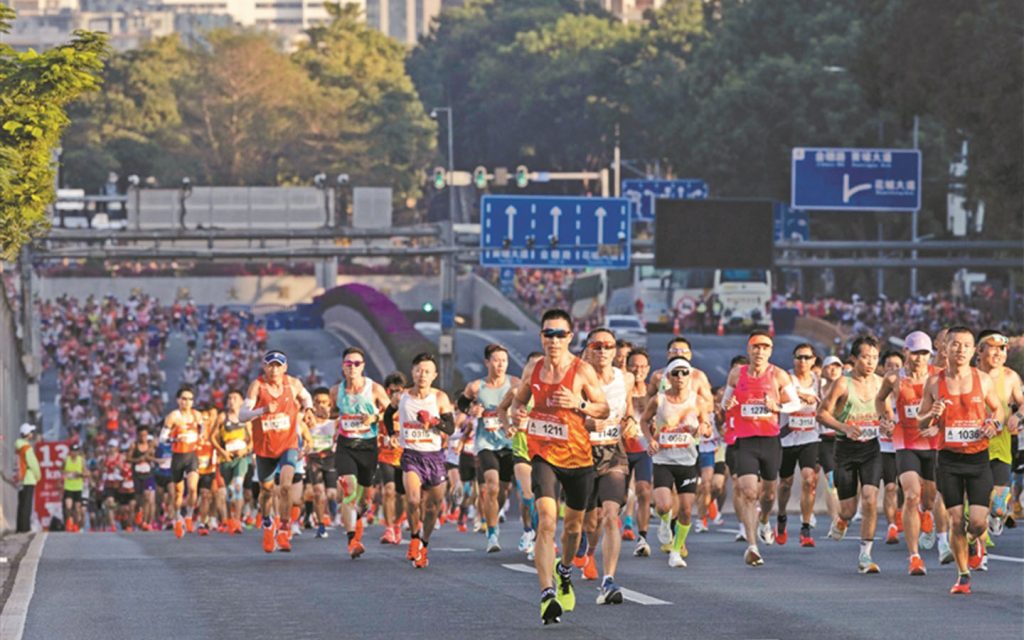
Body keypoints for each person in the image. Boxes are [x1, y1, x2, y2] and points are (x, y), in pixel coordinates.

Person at [509, 308, 609, 625]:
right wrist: (516, 415)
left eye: (560, 334)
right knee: (548, 522)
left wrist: (578, 404)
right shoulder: (534, 371)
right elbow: (516, 402)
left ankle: (564, 570)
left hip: (579, 458)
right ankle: (546, 594)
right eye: (548, 334)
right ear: (541, 336)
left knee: (574, 529)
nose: (553, 340)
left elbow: (603, 408)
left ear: (570, 337)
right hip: (543, 455)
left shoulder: (582, 371)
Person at [917, 326, 1003, 594]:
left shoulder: (983, 380)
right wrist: (931, 412)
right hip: (949, 460)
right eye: (955, 344)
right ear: (944, 348)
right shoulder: (934, 382)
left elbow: (998, 409)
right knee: (955, 520)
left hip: (978, 459)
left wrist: (994, 424)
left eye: (967, 345)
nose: (961, 350)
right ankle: (963, 575)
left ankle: (975, 540)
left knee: (977, 523)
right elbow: (920, 420)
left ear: (973, 350)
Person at [721, 331, 800, 566]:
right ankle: (752, 546)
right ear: (749, 350)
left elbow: (794, 404)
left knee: (768, 494)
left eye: (765, 347)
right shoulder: (737, 373)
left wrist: (777, 406)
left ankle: (765, 518)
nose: (760, 351)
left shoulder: (778, 375)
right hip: (745, 441)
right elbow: (726, 403)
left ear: (771, 351)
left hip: (769, 440)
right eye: (756, 347)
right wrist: (729, 403)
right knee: (748, 492)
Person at [818, 335, 885, 574]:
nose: (870, 362)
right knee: (847, 509)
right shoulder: (842, 384)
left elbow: (888, 413)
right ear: (854, 358)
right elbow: (822, 414)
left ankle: (865, 555)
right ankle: (842, 519)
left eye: (875, 357)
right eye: (865, 357)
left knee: (869, 498)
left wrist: (887, 423)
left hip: (871, 449)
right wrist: (844, 427)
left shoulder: (880, 383)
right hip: (845, 449)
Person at [579, 327, 636, 604]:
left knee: (611, 514)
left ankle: (608, 580)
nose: (603, 351)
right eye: (597, 346)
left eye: (608, 346)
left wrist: (631, 422)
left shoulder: (626, 378)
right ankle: (588, 550)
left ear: (615, 351)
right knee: (590, 521)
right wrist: (588, 422)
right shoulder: (577, 378)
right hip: (581, 453)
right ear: (589, 349)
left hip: (613, 451)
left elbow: (627, 409)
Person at [875, 331, 939, 576]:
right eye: (915, 353)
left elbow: (947, 407)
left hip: (932, 443)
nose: (919, 358)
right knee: (911, 495)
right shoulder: (894, 377)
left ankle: (929, 514)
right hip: (905, 442)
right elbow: (880, 400)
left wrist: (937, 425)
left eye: (924, 353)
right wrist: (886, 418)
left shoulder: (937, 376)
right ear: (906, 352)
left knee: (930, 497)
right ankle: (914, 557)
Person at [240, 350, 315, 553]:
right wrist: (263, 410)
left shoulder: (293, 384)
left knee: (285, 486)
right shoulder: (257, 386)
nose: (274, 369)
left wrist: (308, 410)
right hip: (265, 448)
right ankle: (267, 523)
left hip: (288, 444)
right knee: (266, 491)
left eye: (278, 365)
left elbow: (307, 398)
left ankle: (283, 529)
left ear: (285, 367)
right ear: (264, 367)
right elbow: (242, 415)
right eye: (270, 365)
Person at [641, 357, 711, 569]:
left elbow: (706, 425)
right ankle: (664, 521)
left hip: (687, 461)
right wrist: (651, 439)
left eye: (684, 372)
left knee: (687, 511)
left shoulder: (697, 401)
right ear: (669, 377)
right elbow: (644, 420)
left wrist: (702, 429)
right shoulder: (659, 400)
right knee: (663, 505)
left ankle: (676, 551)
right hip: (663, 459)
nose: (680, 377)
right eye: (676, 373)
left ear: (690, 376)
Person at [330, 347, 391, 559]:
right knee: (349, 489)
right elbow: (331, 412)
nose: (352, 367)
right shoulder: (336, 391)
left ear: (363, 366)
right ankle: (352, 540)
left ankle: (358, 522)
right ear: (343, 367)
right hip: (346, 446)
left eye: (357, 363)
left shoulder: (374, 389)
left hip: (368, 447)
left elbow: (390, 413)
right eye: (348, 363)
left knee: (364, 499)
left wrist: (374, 418)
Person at [398, 352, 456, 569]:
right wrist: (392, 433)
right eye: (419, 370)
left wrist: (434, 421)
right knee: (413, 500)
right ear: (412, 372)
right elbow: (387, 415)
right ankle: (413, 537)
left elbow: (450, 428)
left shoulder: (440, 398)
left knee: (432, 508)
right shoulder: (401, 397)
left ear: (434, 375)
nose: (422, 375)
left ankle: (424, 543)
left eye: (427, 372)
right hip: (411, 454)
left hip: (434, 457)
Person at [463, 344, 520, 553]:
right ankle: (492, 533)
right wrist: (472, 409)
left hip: (508, 443)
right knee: (491, 486)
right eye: (496, 360)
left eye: (504, 360)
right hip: (485, 444)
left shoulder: (515, 383)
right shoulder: (476, 387)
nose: (500, 365)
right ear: (487, 362)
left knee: (503, 490)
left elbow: (526, 404)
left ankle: (495, 515)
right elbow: (463, 403)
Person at [975, 331, 1024, 537]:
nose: (998, 353)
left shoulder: (1010, 377)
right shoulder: (970, 375)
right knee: (976, 499)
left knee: (998, 501)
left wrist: (1017, 416)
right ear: (979, 350)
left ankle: (997, 515)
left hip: (1001, 444)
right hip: (973, 445)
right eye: (993, 347)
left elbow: (1022, 403)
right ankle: (977, 546)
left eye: (1002, 349)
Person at [776, 343, 821, 548]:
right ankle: (782, 516)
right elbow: (778, 395)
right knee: (785, 483)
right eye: (798, 357)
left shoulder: (819, 381)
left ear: (813, 360)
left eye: (806, 357)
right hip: (787, 437)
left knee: (808, 479)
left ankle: (805, 527)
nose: (802, 361)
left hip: (810, 437)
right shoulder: (786, 378)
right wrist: (802, 396)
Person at [624, 349, 653, 557]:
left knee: (644, 490)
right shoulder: (619, 389)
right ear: (626, 366)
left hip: (644, 451)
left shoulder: (654, 392)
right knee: (616, 498)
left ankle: (642, 538)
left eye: (643, 366)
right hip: (620, 450)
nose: (639, 370)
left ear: (648, 369)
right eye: (634, 365)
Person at [164, 385, 203, 539]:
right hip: (178, 456)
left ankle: (189, 516)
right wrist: (175, 438)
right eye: (183, 399)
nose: (186, 402)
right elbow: (162, 438)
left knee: (193, 488)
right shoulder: (173, 416)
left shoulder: (197, 415)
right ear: (178, 400)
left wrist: (198, 437)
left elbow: (202, 431)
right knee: (178, 493)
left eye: (189, 399)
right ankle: (177, 518)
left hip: (192, 455)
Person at [212, 389, 252, 535]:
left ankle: (237, 520)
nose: (231, 401)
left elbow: (252, 440)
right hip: (226, 459)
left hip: (241, 458)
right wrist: (222, 452)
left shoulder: (245, 418)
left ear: (241, 401)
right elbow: (212, 438)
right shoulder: (222, 417)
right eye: (229, 398)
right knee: (229, 490)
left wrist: (246, 449)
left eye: (235, 398)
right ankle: (229, 518)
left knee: (238, 486)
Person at [378, 372, 408, 545]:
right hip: (386, 455)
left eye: (399, 391)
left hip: (404, 456)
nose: (395, 394)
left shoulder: (408, 408)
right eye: (392, 391)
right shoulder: (381, 408)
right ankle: (388, 528)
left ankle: (397, 523)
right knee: (388, 490)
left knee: (402, 496)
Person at [304, 387, 338, 539]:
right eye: (317, 402)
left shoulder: (335, 422)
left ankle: (333, 513)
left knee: (331, 494)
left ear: (330, 404)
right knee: (318, 493)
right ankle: (321, 526)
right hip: (314, 459)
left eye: (325, 402)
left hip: (330, 459)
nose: (321, 405)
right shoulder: (307, 422)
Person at [126, 427, 156, 531]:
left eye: (145, 435)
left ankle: (146, 522)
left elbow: (153, 456)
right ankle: (139, 515)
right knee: (139, 500)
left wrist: (154, 459)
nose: (143, 437)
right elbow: (128, 458)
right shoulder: (134, 446)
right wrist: (137, 459)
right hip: (137, 475)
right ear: (138, 435)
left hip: (148, 474)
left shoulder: (151, 445)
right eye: (141, 435)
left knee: (148, 498)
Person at [16, 423, 40, 533]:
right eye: (31, 432)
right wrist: (38, 475)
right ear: (27, 434)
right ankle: (25, 528)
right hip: (28, 478)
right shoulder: (27, 448)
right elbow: (33, 463)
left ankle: (20, 527)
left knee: (21, 504)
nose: (32, 434)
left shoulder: (18, 446)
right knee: (27, 505)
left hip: (21, 478)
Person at [62, 442, 86, 532]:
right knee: (68, 507)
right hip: (68, 487)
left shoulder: (81, 460)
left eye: (76, 451)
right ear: (70, 451)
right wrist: (65, 474)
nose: (74, 453)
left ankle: (76, 524)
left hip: (78, 487)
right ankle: (69, 521)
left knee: (77, 509)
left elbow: (86, 473)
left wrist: (80, 474)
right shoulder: (66, 460)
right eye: (72, 451)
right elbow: (61, 470)